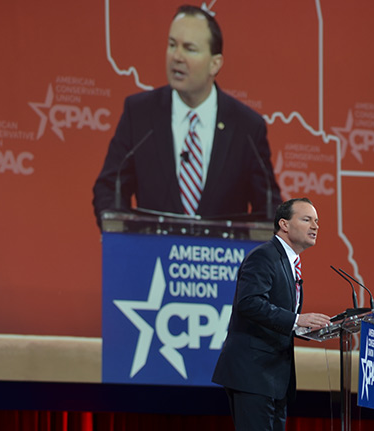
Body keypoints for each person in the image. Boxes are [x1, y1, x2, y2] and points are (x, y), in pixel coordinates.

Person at [92, 5, 281, 227]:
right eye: (172, 45)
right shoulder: (140, 114)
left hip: (221, 259)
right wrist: (122, 238)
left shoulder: (247, 126)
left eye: (189, 49)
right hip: (154, 259)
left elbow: (270, 207)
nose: (177, 57)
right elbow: (109, 189)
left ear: (215, 64)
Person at [212, 198, 331, 431]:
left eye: (317, 221)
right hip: (253, 373)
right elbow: (249, 303)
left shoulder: (289, 262)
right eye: (306, 219)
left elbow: (278, 317)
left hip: (275, 377)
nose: (315, 226)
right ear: (284, 225)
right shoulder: (264, 256)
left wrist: (306, 329)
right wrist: (297, 320)